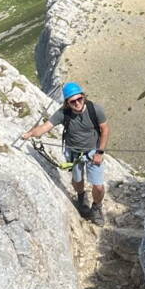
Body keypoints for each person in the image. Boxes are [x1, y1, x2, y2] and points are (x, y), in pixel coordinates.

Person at [20, 82, 110, 222]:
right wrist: (30, 134)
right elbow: (45, 127)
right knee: (77, 180)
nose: (77, 103)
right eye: (73, 101)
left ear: (83, 97)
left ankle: (96, 207)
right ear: (67, 103)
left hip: (93, 151)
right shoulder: (63, 113)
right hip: (73, 152)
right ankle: (81, 197)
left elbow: (105, 129)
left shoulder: (95, 109)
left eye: (80, 99)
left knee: (98, 186)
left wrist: (100, 152)